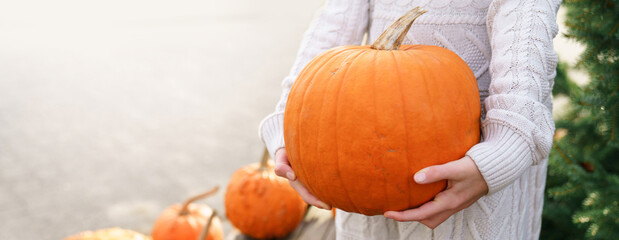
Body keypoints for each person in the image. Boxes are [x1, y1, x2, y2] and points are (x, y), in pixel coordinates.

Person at [259, 0, 561, 239]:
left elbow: (526, 51)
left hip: (473, 188)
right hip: (365, 178)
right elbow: (332, 29)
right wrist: (290, 124)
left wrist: (499, 156)